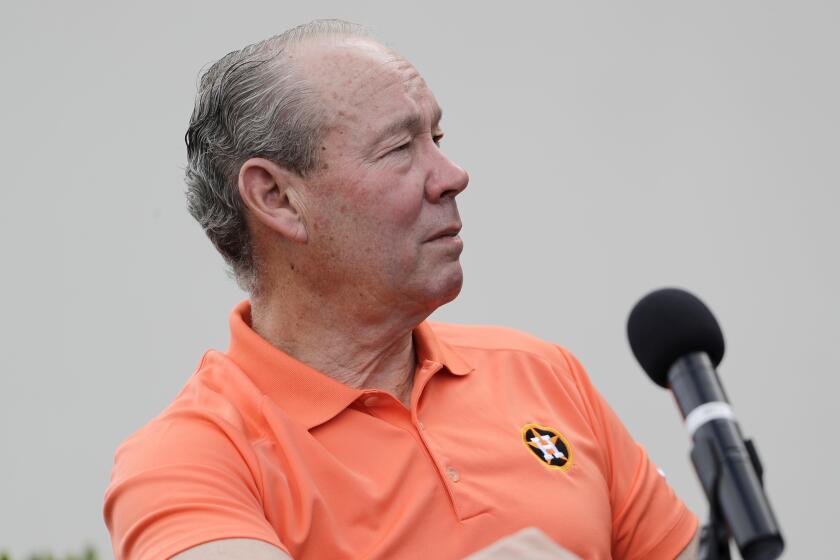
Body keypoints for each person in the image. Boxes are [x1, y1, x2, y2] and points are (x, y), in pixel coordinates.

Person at [103, 20, 699, 559]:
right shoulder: (192, 455)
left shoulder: (544, 374)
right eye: (400, 149)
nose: (453, 176)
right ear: (277, 199)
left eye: (438, 138)